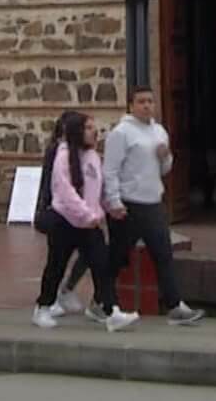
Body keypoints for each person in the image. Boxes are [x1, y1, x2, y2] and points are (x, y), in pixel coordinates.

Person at [103, 86, 205, 326]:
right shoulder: (121, 133)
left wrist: (165, 156)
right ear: (131, 106)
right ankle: (103, 301)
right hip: (129, 203)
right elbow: (110, 170)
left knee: (163, 254)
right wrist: (114, 201)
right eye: (141, 102)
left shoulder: (159, 131)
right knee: (117, 256)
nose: (147, 106)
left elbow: (164, 169)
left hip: (153, 202)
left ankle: (175, 306)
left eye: (150, 101)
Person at [33, 110, 138, 332]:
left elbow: (97, 189)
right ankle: (43, 306)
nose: (94, 132)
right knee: (56, 266)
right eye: (89, 128)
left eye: (94, 127)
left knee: (102, 265)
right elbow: (65, 192)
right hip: (66, 222)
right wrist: (87, 215)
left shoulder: (92, 157)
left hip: (89, 224)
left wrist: (111, 207)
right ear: (77, 132)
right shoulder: (62, 156)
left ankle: (112, 311)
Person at [35, 113, 95, 317]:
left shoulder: (82, 152)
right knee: (57, 260)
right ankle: (48, 301)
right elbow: (56, 184)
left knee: (90, 255)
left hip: (80, 214)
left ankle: (103, 304)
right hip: (62, 214)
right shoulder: (59, 152)